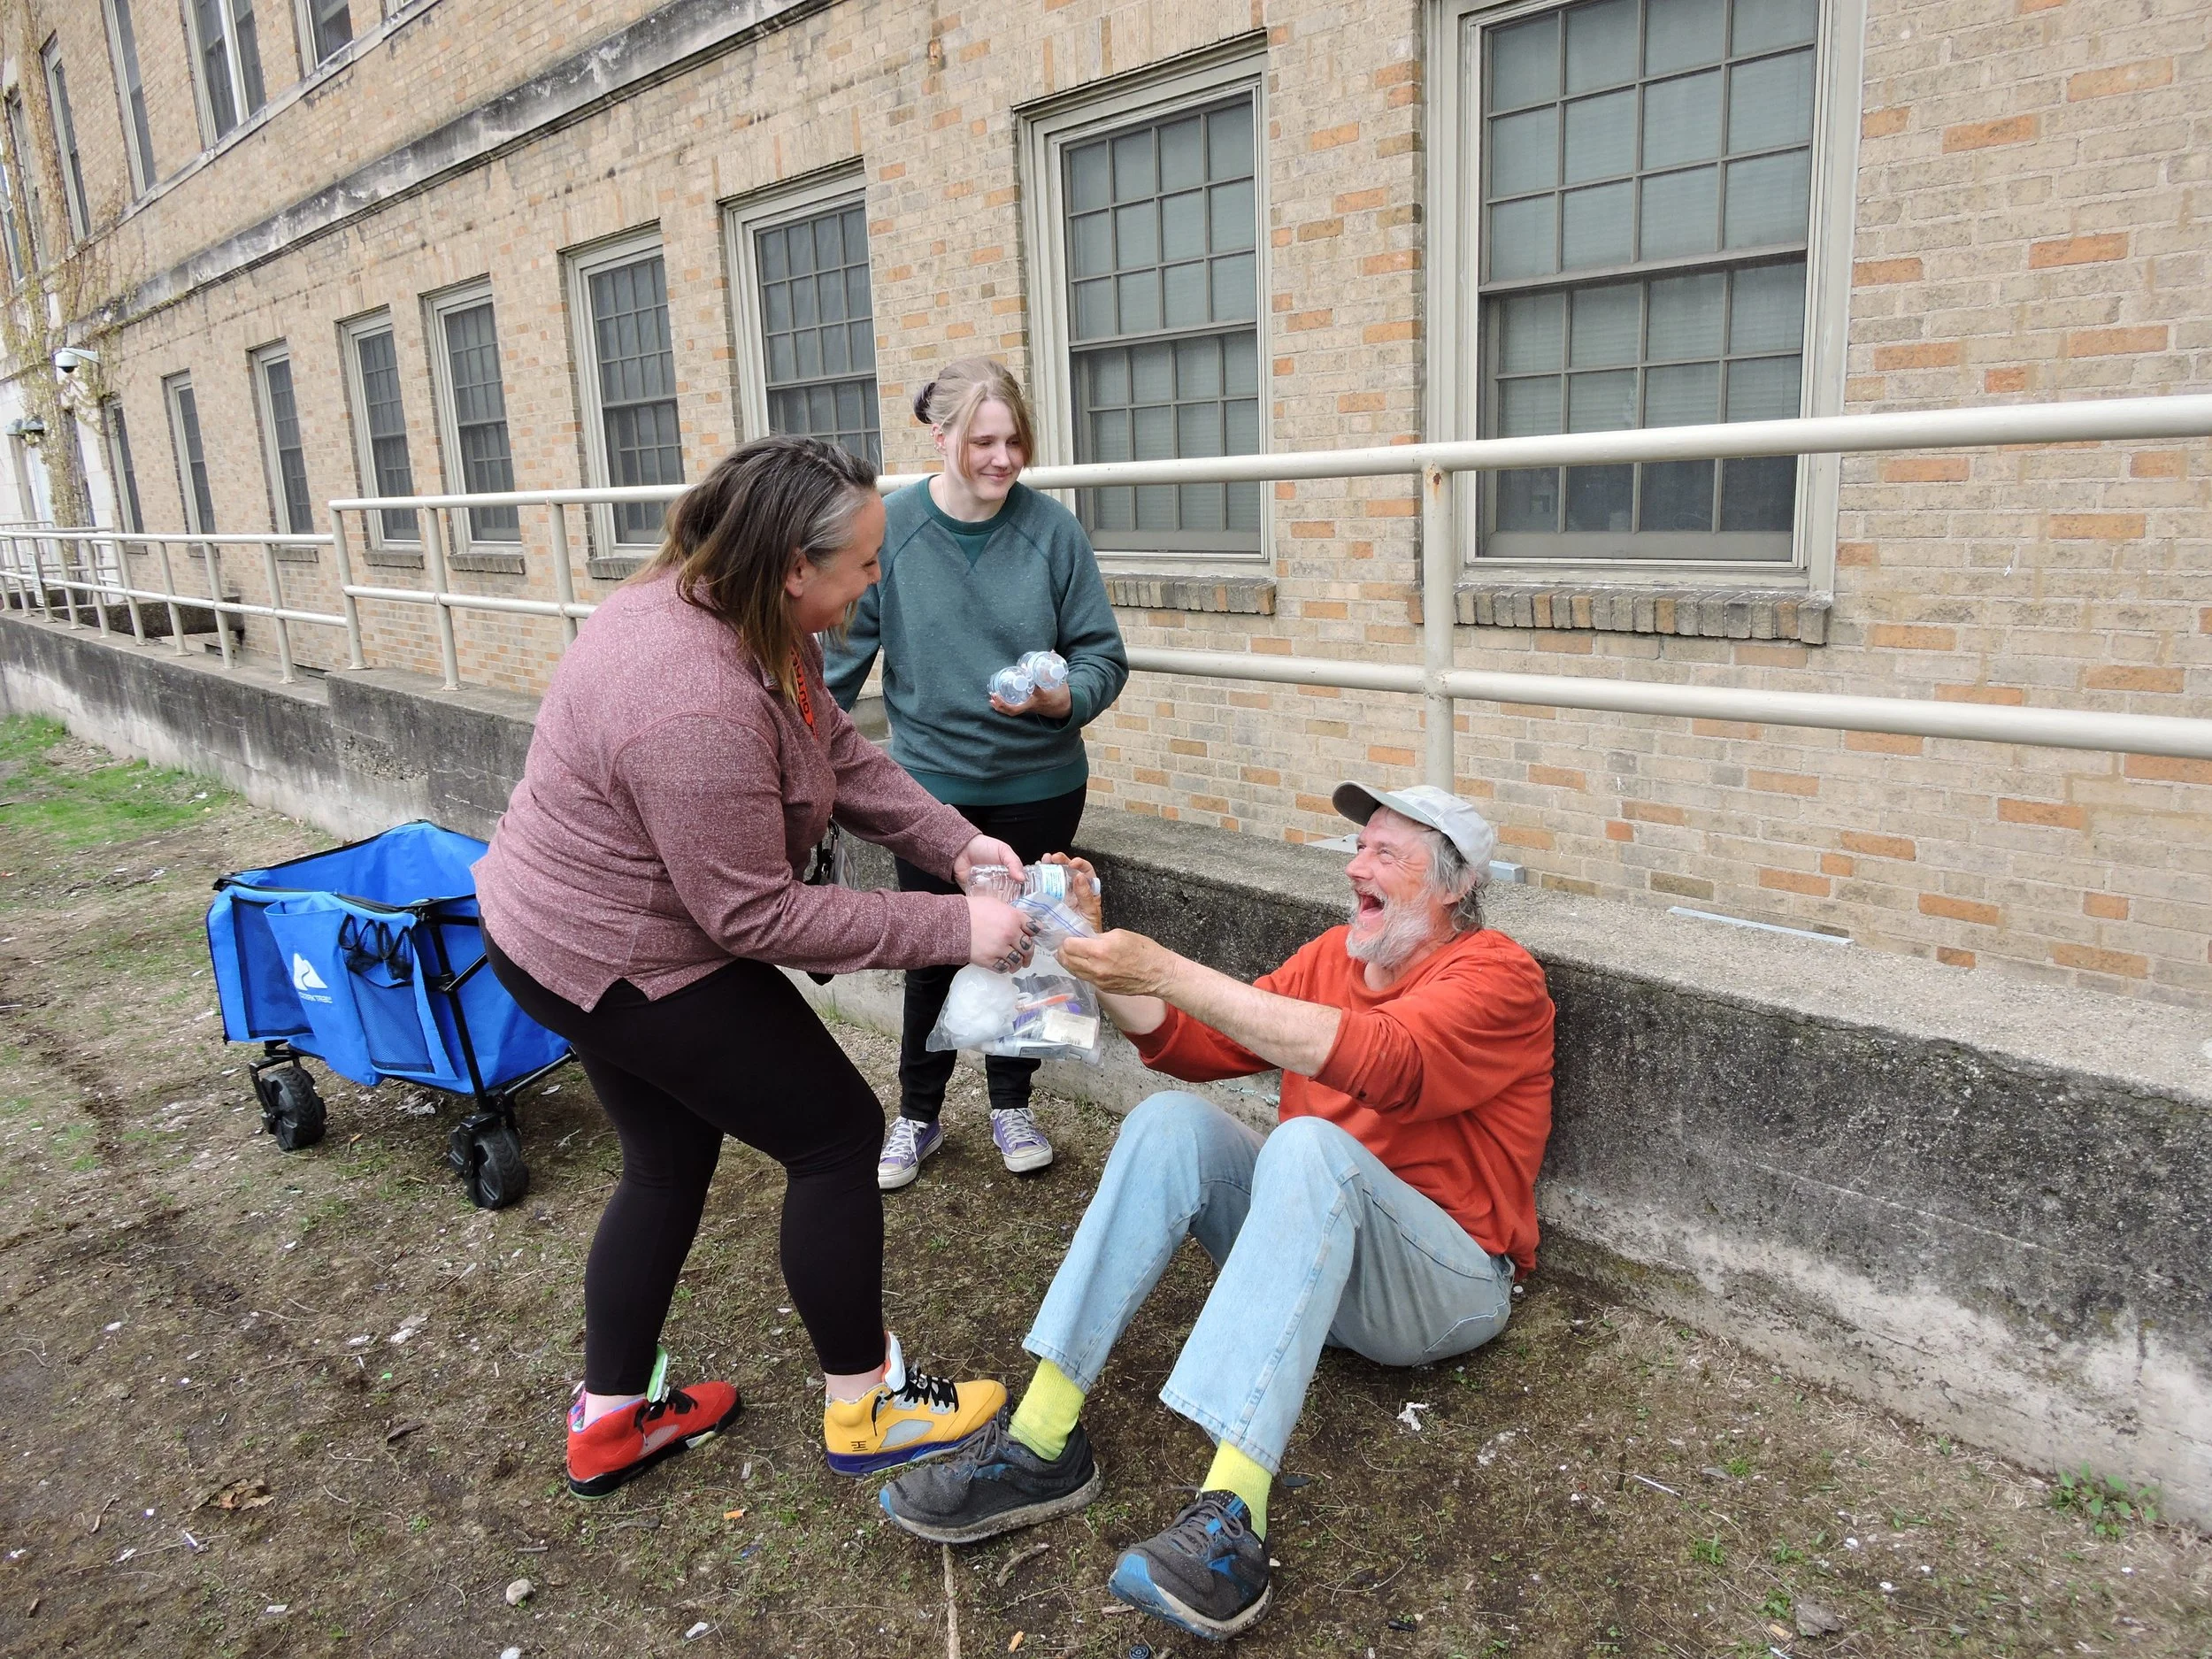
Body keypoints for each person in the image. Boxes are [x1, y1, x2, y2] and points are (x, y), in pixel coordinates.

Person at [473, 435, 1036, 1499]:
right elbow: (751, 913)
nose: (878, 579)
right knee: (834, 1136)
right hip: (621, 954)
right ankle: (865, 1405)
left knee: (665, 1162)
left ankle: (609, 1422)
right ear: (791, 564)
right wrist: (953, 929)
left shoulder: (746, 616)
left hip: (548, 932)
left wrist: (952, 843)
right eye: (864, 564)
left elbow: (834, 750)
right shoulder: (693, 701)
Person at [879, 782, 1556, 1642]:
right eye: (1358, 849)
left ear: (1455, 884)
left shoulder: (1498, 975)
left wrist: (1164, 966)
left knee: (1308, 1148)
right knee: (1169, 1123)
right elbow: (1195, 1044)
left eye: (1388, 853)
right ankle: (1042, 1440)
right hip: (1323, 1270)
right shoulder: (1332, 957)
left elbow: (1387, 1062)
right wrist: (1087, 949)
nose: (1357, 865)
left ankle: (1232, 1520)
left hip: (1440, 1290)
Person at [826, 357, 1128, 1193]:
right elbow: (835, 671)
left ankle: (1011, 1104)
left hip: (1040, 784)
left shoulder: (1053, 532)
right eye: (984, 441)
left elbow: (1105, 655)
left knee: (1025, 945)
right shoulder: (893, 528)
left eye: (1016, 441)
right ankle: (917, 1116)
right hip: (931, 793)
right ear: (942, 437)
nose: (1004, 459)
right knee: (934, 953)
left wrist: (1064, 698)